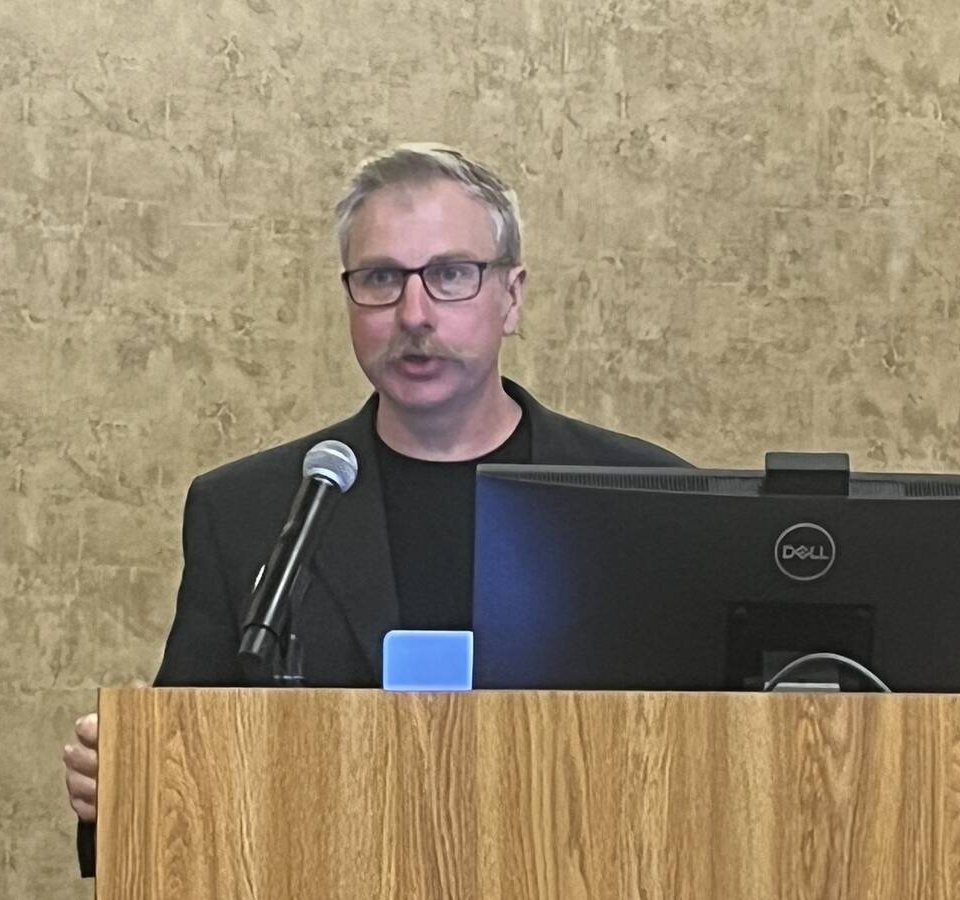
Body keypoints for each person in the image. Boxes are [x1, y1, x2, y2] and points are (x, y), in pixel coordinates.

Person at [62, 144, 687, 876]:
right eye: (382, 279)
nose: (413, 314)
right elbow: (183, 772)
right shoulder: (247, 509)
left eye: (451, 274)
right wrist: (119, 782)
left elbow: (698, 769)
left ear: (511, 296)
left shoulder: (647, 498)